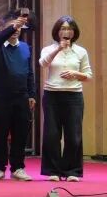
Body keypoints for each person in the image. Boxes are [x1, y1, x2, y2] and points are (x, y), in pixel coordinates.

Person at [39, 16, 92, 182]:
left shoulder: (81, 51)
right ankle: (53, 170)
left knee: (73, 136)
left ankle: (72, 171)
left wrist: (76, 74)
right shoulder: (48, 49)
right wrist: (58, 49)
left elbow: (88, 76)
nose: (66, 32)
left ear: (74, 32)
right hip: (52, 96)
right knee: (52, 135)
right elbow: (43, 63)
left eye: (69, 29)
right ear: (57, 31)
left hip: (74, 96)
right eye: (63, 28)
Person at [0, 11, 35, 182]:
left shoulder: (25, 47)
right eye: (12, 27)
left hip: (21, 97)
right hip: (1, 98)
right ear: (2, 29)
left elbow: (29, 73)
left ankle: (18, 168)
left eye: (19, 27)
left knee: (20, 134)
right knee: (0, 134)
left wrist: (31, 94)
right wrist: (13, 26)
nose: (16, 30)